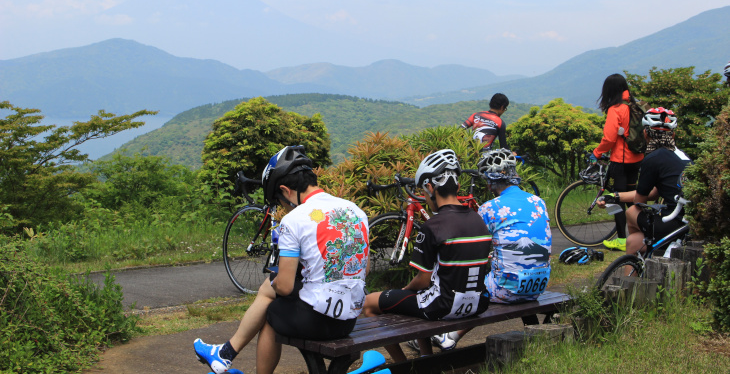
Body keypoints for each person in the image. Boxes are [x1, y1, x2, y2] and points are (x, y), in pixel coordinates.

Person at [194, 146, 369, 374]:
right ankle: (224, 354)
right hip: (349, 319)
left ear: (286, 190)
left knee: (271, 310)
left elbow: (285, 287)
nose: (282, 207)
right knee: (271, 291)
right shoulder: (355, 211)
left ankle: (228, 355)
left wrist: (276, 281)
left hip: (317, 322)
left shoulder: (294, 219)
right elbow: (363, 273)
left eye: (278, 200)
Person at [362, 149, 491, 361]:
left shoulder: (433, 226)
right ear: (457, 186)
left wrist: (403, 291)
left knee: (370, 303)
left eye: (423, 191)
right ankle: (425, 360)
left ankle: (404, 366)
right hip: (478, 303)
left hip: (444, 306)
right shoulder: (478, 219)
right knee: (420, 298)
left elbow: (423, 280)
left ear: (430, 187)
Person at [430, 149, 552, 350]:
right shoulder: (539, 202)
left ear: (491, 179)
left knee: (468, 286)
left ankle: (449, 335)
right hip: (538, 286)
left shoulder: (489, 207)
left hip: (506, 289)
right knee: (510, 272)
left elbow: (473, 246)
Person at [598, 108, 690, 256]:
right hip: (687, 222)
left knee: (632, 211)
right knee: (633, 241)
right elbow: (654, 193)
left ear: (645, 134)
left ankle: (647, 251)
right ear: (673, 135)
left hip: (672, 222)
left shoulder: (653, 159)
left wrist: (613, 199)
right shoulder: (681, 156)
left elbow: (639, 202)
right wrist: (615, 196)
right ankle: (641, 258)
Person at [592, 74, 644, 251]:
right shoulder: (636, 106)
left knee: (616, 200)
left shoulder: (616, 109)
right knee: (633, 198)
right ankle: (644, 233)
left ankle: (622, 240)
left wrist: (597, 153)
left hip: (620, 161)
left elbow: (609, 137)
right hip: (637, 159)